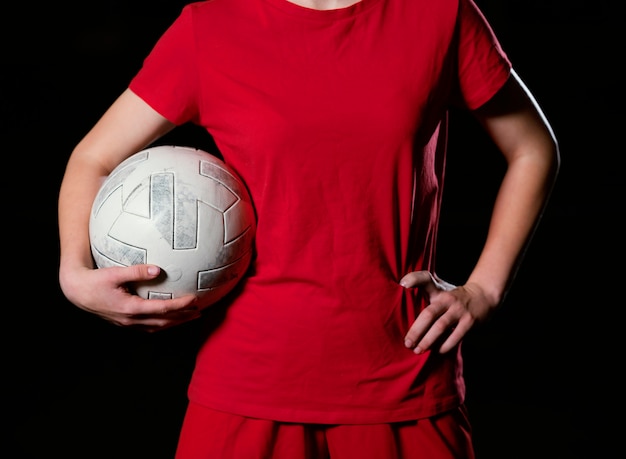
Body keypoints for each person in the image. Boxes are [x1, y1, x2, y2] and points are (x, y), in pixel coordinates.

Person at [58, 0, 560, 457]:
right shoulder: (209, 28)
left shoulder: (439, 15)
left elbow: (533, 149)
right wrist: (73, 273)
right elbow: (93, 157)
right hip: (248, 386)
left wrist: (485, 289)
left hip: (403, 378)